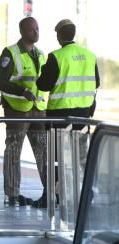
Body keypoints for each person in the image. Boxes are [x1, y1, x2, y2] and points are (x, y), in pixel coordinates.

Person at [36, 19, 100, 206]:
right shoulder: (89, 55)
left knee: (56, 157)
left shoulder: (56, 56)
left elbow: (44, 85)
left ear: (59, 36)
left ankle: (52, 195)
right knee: (81, 156)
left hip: (59, 115)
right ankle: (87, 193)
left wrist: (43, 71)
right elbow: (96, 82)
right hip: (83, 114)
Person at [0, 17, 49, 207]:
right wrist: (22, 92)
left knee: (44, 152)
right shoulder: (10, 53)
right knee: (13, 152)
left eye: (37, 28)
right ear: (22, 31)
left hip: (38, 110)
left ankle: (50, 193)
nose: (36, 32)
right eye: (32, 29)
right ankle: (12, 195)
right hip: (17, 111)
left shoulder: (40, 54)